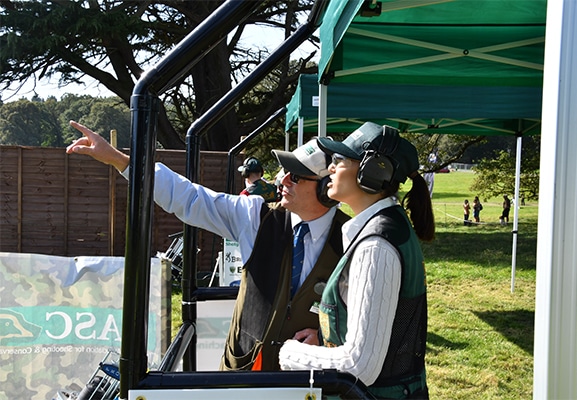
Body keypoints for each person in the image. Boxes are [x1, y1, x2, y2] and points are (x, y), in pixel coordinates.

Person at [65, 120, 350, 371]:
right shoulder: (255, 216)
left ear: (326, 190)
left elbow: (368, 318)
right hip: (243, 374)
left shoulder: (352, 237)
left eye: (297, 176)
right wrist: (119, 160)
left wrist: (327, 337)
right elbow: (189, 198)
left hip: (310, 382)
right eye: (285, 171)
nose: (283, 180)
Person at [279, 122, 435, 399]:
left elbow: (359, 366)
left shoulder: (376, 246)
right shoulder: (385, 228)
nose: (330, 169)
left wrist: (290, 354)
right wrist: (327, 340)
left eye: (340, 160)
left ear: (374, 171)